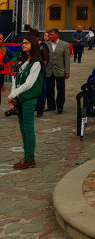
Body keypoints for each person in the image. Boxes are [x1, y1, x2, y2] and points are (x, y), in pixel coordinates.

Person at [7, 36, 43, 170]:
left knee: (28, 128)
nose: (23, 45)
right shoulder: (22, 61)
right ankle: (26, 155)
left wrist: (11, 95)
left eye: (27, 43)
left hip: (29, 98)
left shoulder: (36, 63)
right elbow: (15, 79)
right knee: (23, 129)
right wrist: (13, 96)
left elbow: (29, 84)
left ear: (33, 44)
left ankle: (30, 158)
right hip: (20, 98)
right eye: (23, 43)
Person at [45, 28, 70, 113]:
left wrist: (67, 71)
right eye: (49, 35)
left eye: (51, 35)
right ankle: (51, 106)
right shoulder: (46, 44)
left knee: (61, 89)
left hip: (60, 70)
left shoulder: (64, 45)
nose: (50, 36)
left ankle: (60, 106)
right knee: (49, 89)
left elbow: (67, 59)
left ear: (57, 34)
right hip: (49, 70)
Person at [28, 29, 49, 118]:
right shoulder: (28, 45)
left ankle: (40, 110)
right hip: (29, 70)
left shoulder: (42, 46)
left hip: (40, 70)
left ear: (37, 37)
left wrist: (41, 66)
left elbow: (46, 59)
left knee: (41, 90)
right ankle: (31, 108)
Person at [0, 33, 15, 106]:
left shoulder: (4, 49)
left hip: (0, 74)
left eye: (1, 39)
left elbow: (12, 55)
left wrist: (3, 62)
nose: (0, 41)